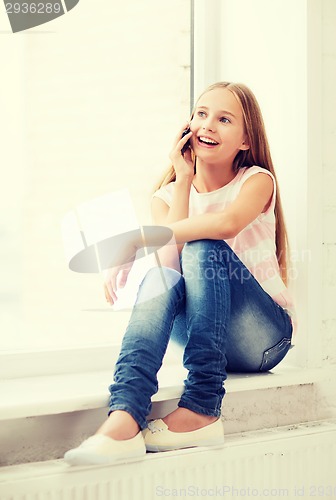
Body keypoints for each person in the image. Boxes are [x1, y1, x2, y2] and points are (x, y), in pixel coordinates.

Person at [64, 81, 296, 465]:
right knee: (160, 276)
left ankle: (203, 405)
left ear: (245, 140)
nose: (208, 125)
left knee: (204, 244)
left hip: (262, 338)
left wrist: (138, 240)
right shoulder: (167, 196)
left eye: (224, 119)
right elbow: (169, 270)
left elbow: (225, 224)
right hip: (204, 335)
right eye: (201, 114)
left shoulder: (256, 180)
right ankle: (125, 414)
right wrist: (183, 178)